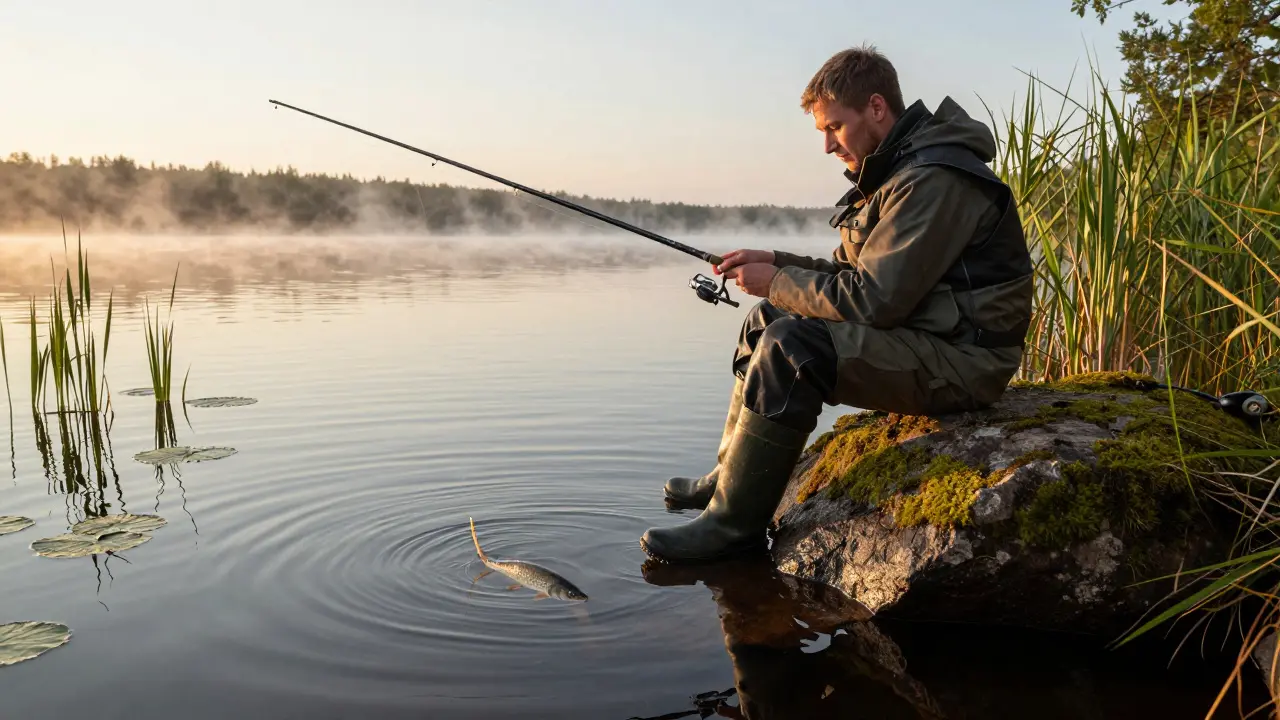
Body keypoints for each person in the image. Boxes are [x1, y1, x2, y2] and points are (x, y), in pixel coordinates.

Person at [639, 45, 1034, 564]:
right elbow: (854, 275)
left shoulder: (935, 180)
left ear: (876, 108)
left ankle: (733, 528)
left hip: (963, 361)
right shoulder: (899, 170)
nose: (827, 146)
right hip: (925, 339)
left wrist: (776, 278)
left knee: (792, 347)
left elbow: (873, 301)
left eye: (834, 128)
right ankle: (729, 477)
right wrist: (774, 260)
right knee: (768, 319)